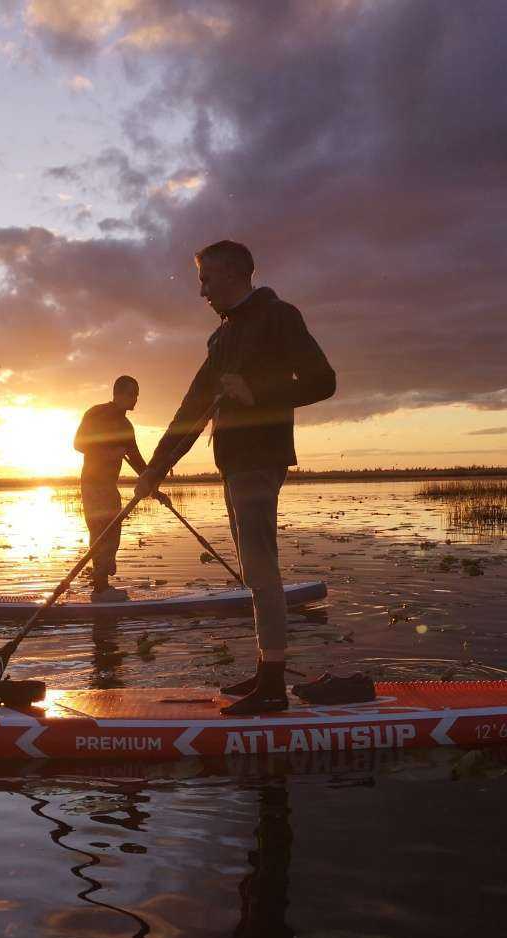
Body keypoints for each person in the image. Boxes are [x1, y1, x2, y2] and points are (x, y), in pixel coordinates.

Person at [134, 240, 335, 715]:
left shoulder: (279, 316)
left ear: (233, 274)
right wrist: (154, 470)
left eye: (206, 279)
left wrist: (256, 392)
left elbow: (323, 381)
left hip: (261, 457)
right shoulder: (220, 338)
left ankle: (273, 687)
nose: (201, 291)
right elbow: (193, 408)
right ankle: (267, 670)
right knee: (252, 570)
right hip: (232, 462)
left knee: (261, 569)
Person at [74, 375, 147, 600]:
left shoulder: (126, 426)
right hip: (92, 483)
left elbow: (136, 459)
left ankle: (102, 580)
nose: (136, 399)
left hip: (109, 485)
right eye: (133, 394)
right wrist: (110, 451)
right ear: (119, 394)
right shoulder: (96, 413)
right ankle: (100, 588)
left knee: (113, 533)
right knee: (100, 532)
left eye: (137, 394)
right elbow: (79, 443)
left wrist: (153, 481)